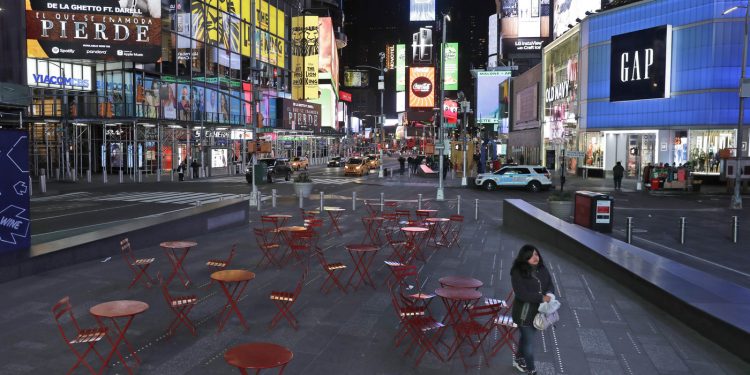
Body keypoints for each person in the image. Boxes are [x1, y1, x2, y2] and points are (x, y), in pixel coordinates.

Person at [511, 244, 556, 375]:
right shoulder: (517, 272)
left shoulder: (542, 268)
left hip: (539, 313)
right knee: (529, 343)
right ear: (524, 259)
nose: (535, 258)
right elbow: (521, 294)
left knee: (526, 338)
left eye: (536, 254)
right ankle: (531, 369)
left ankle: (518, 358)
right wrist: (542, 298)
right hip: (524, 314)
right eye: (531, 256)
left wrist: (550, 294)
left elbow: (550, 284)